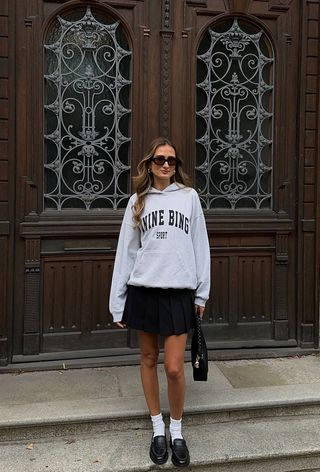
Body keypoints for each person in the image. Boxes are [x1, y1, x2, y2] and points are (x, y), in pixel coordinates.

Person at [109, 137, 210, 468]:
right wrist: (117, 302)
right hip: (144, 290)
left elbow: (200, 246)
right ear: (149, 163)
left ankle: (177, 430)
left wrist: (201, 292)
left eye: (172, 160)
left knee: (174, 367)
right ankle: (157, 428)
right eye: (160, 159)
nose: (166, 164)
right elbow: (126, 252)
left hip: (179, 291)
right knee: (148, 358)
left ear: (177, 166)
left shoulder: (189, 198)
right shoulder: (137, 201)